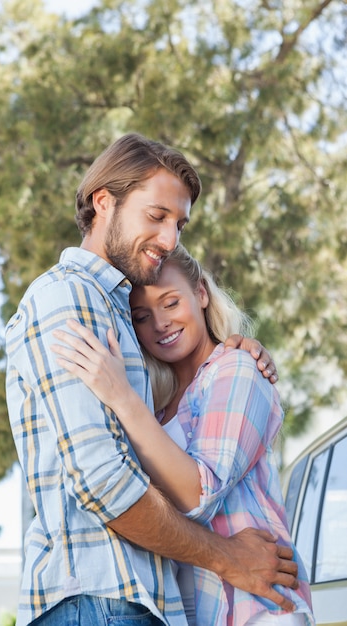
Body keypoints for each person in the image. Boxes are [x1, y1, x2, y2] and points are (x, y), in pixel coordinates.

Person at [5, 133, 297, 626]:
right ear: (104, 202)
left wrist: (238, 348)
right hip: (99, 603)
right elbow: (102, 482)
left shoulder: (119, 308)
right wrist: (228, 558)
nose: (170, 239)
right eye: (156, 216)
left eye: (179, 224)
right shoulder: (69, 298)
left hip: (131, 604)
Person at [51, 244, 315, 626]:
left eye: (171, 303)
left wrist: (121, 397)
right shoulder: (156, 410)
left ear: (202, 294)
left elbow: (199, 493)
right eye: (141, 316)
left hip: (256, 607)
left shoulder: (238, 367)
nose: (159, 324)